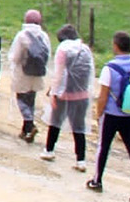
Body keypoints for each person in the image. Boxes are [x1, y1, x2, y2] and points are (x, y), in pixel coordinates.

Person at [87, 30, 130, 202]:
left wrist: (98, 113)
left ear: (115, 46)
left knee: (104, 147)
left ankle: (97, 180)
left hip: (111, 114)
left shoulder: (110, 68)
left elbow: (103, 96)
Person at [41, 24, 95, 170]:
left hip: (64, 93)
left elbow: (59, 74)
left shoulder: (63, 50)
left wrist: (54, 93)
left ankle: (49, 150)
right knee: (79, 127)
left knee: (55, 122)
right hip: (82, 94)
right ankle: (81, 160)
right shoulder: (85, 49)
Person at [7, 9, 53, 143]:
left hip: (23, 72)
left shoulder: (22, 35)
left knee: (21, 99)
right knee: (31, 100)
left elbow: (15, 56)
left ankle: (29, 123)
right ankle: (26, 129)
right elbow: (48, 54)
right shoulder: (44, 36)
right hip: (38, 72)